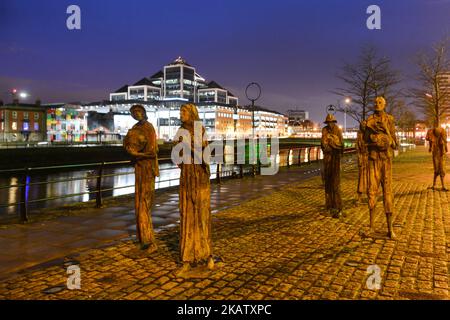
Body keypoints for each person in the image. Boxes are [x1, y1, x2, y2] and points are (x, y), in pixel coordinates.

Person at [175, 103, 214, 276]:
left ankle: (205, 254)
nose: (181, 114)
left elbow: (205, 156)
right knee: (186, 215)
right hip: (187, 176)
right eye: (181, 111)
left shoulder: (200, 130)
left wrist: (190, 149)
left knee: (201, 216)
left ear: (191, 113)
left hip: (199, 176)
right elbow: (176, 156)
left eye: (184, 111)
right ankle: (187, 257)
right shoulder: (180, 131)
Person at [123, 104, 159, 251]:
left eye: (138, 111)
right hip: (139, 168)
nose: (136, 114)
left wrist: (137, 154)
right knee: (139, 203)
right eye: (133, 113)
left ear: (143, 112)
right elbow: (129, 144)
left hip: (147, 169)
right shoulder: (135, 128)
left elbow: (152, 151)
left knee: (144, 203)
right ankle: (143, 239)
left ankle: (149, 241)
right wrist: (129, 148)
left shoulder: (148, 128)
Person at [364, 96, 398, 239]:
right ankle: (371, 226)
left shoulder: (390, 119)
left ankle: (390, 229)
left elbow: (395, 143)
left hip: (386, 161)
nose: (377, 104)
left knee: (388, 193)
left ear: (384, 104)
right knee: (372, 191)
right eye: (375, 102)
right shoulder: (369, 120)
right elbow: (365, 141)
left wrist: (387, 133)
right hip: (373, 160)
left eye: (380, 102)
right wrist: (372, 138)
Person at [321, 113, 344, 218]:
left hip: (335, 159)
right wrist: (328, 145)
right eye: (328, 122)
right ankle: (328, 206)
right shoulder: (324, 130)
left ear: (334, 122)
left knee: (336, 184)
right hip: (327, 159)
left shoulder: (337, 130)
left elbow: (341, 145)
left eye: (331, 122)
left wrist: (333, 144)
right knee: (327, 184)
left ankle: (338, 207)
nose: (330, 124)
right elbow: (323, 144)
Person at [356, 121, 369, 204]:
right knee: (361, 178)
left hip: (369, 159)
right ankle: (359, 197)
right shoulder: (359, 136)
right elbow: (357, 148)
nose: (363, 127)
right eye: (362, 126)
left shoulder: (369, 136)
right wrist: (359, 158)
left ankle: (370, 196)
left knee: (370, 179)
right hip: (362, 158)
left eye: (364, 125)